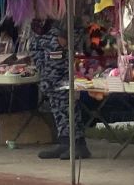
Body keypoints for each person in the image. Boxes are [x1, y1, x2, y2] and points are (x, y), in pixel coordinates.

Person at [28, 18, 91, 160]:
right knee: (55, 97)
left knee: (65, 96)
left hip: (63, 29)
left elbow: (75, 10)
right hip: (45, 30)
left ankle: (78, 143)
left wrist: (64, 34)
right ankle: (65, 140)